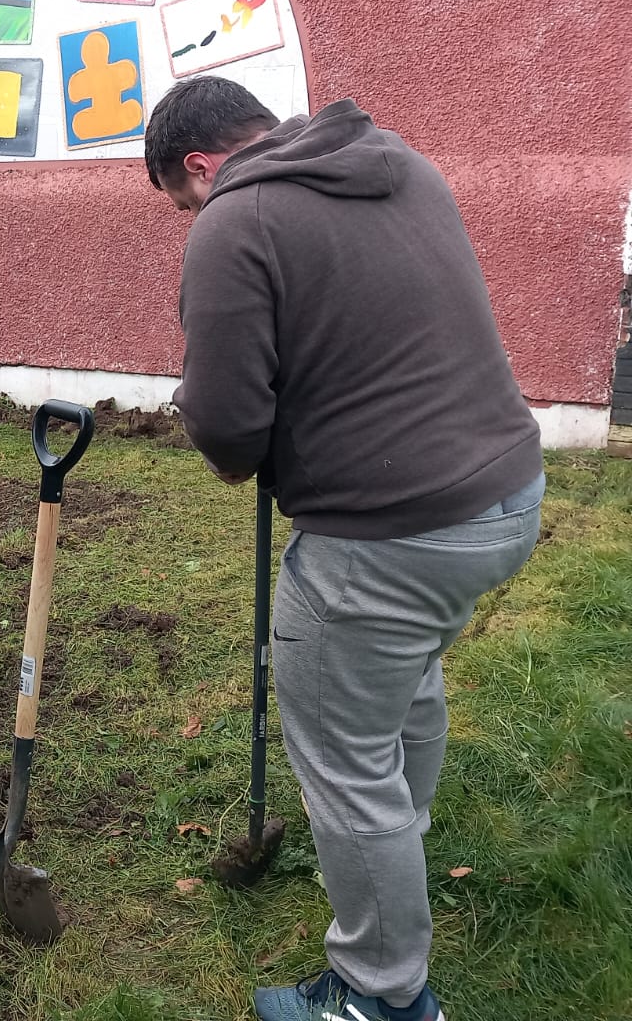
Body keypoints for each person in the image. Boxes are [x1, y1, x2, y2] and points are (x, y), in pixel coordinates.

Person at [144, 76, 544, 1021]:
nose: (189, 217)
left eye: (179, 202)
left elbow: (231, 429)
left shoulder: (234, 223)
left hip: (390, 534)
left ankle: (381, 994)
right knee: (405, 690)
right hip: (504, 496)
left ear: (200, 166)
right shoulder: (396, 161)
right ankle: (397, 845)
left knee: (343, 751)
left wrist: (221, 415)